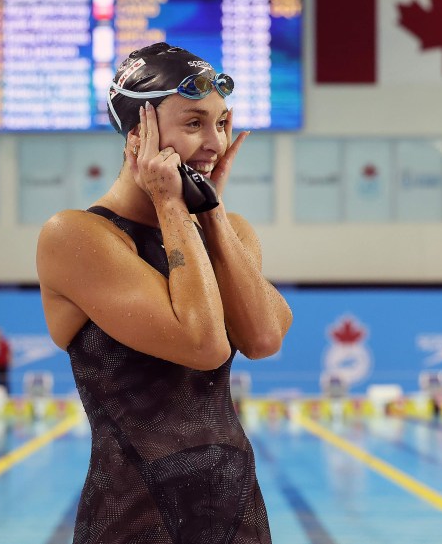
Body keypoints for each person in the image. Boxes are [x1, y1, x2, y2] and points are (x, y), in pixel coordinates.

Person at [37, 43, 293, 544]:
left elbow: (264, 338)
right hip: (133, 515)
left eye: (220, 123)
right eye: (194, 123)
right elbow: (204, 346)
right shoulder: (77, 237)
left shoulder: (229, 231)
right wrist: (173, 208)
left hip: (237, 511)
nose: (215, 142)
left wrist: (212, 213)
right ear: (139, 134)